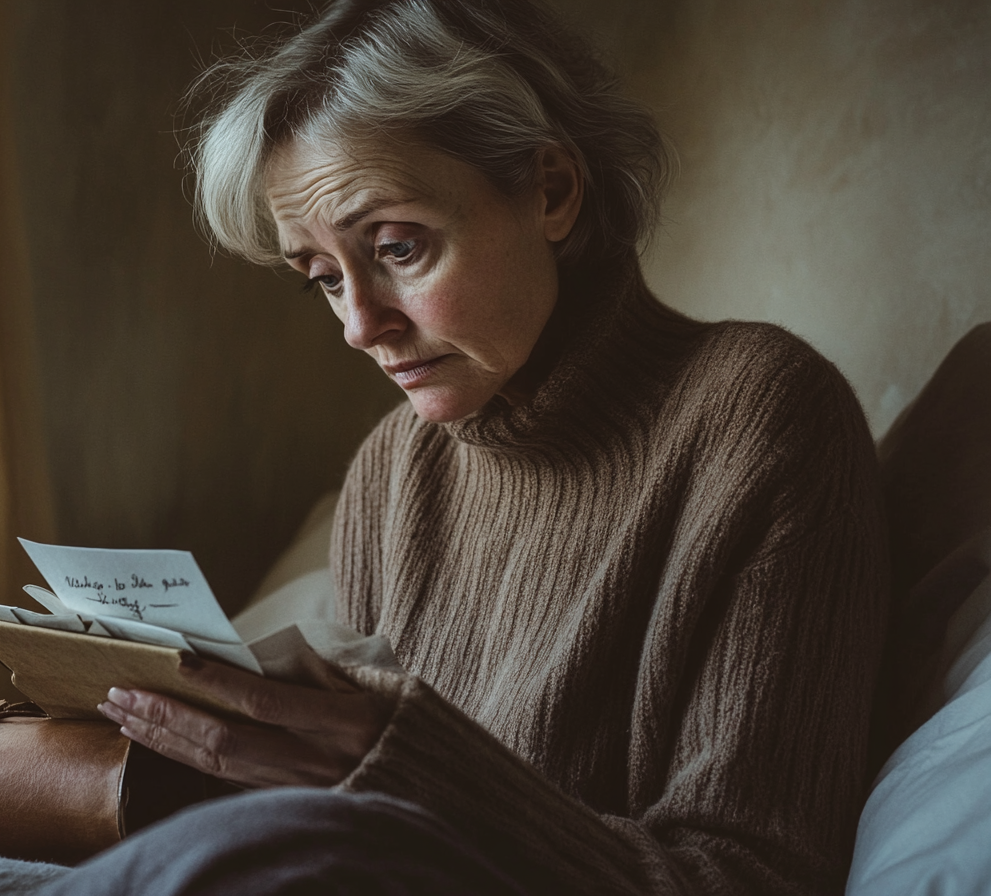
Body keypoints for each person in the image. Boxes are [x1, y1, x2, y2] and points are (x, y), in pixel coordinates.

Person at [55, 0, 889, 892]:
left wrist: (406, 765)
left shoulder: (761, 420)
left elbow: (755, 877)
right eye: (324, 280)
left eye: (399, 248)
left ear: (553, 192)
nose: (359, 327)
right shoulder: (389, 468)